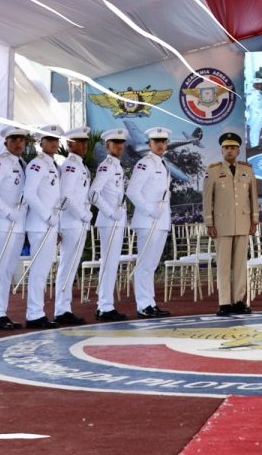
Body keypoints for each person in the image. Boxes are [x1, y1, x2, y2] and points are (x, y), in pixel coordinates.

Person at [203, 132, 257, 316]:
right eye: (226, 148)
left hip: (242, 221)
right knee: (224, 264)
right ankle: (225, 302)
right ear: (222, 150)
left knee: (240, 264)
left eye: (233, 147)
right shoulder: (213, 170)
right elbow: (207, 199)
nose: (229, 151)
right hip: (222, 223)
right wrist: (209, 222)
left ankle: (238, 301)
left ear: (238, 150)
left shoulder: (247, 170)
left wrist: (254, 220)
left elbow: (253, 198)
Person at [0, 127, 30, 329]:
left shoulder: (22, 164)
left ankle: (1, 312)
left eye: (22, 140)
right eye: (14, 140)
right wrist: (7, 212)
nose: (19, 144)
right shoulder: (1, 163)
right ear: (5, 143)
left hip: (18, 225)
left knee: (8, 270)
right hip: (3, 224)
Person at [127, 127, 175, 319]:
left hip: (161, 221)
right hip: (148, 221)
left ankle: (150, 302)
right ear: (149, 144)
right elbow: (132, 191)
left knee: (152, 265)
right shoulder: (145, 163)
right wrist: (150, 210)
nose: (160, 145)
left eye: (163, 142)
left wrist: (160, 215)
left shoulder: (163, 164)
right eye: (156, 142)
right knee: (144, 264)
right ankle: (143, 305)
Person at [23, 124, 66, 329]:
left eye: (56, 140)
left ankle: (38, 311)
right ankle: (34, 314)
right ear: (41, 143)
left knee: (44, 270)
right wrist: (47, 216)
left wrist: (55, 225)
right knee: (39, 271)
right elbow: (29, 193)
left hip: (49, 225)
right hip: (40, 225)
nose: (54, 144)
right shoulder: (37, 164)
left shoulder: (53, 164)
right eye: (49, 140)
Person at [52, 127, 93, 326]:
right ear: (70, 145)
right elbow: (65, 196)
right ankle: (61, 309)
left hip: (79, 222)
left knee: (71, 267)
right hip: (71, 222)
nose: (84, 146)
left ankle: (65, 307)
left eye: (85, 143)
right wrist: (83, 214)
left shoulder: (80, 166)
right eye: (80, 142)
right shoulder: (70, 166)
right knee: (67, 267)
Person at [92, 128, 131, 322]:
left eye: (121, 143)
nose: (119, 146)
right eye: (115, 143)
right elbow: (93, 193)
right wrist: (110, 212)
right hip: (109, 221)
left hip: (116, 220)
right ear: (108, 146)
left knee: (111, 263)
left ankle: (106, 305)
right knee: (108, 263)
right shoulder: (107, 166)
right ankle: (104, 306)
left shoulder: (117, 165)